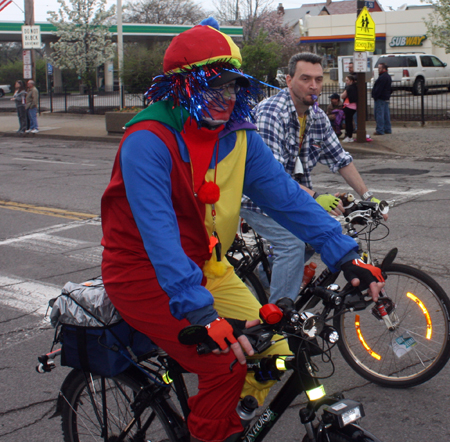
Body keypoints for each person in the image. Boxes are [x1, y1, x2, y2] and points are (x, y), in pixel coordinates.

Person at [101, 23, 384, 442]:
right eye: (214, 87)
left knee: (275, 347)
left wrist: (345, 255)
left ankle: (235, 414)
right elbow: (160, 238)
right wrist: (201, 312)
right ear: (180, 87)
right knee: (222, 362)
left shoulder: (237, 134)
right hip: (144, 275)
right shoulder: (149, 140)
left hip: (207, 265)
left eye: (233, 86)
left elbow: (287, 198)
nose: (227, 98)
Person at [241, 52, 386, 305]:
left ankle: (267, 277)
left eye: (318, 79)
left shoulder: (316, 116)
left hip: (294, 198)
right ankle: (280, 322)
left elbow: (341, 159)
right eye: (305, 78)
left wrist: (367, 196)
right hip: (257, 200)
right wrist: (316, 198)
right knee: (293, 244)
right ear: (288, 80)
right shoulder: (270, 113)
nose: (313, 85)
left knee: (327, 232)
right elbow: (271, 177)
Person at [372, 62, 392, 136]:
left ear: (384, 68)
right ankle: (387, 128)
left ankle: (380, 130)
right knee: (386, 114)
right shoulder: (387, 76)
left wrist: (375, 95)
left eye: (380, 68)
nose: (378, 69)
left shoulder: (382, 77)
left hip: (380, 97)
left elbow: (379, 88)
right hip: (385, 97)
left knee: (379, 114)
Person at [341, 75, 358, 142]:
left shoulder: (349, 88)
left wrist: (341, 95)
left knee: (348, 121)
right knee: (350, 121)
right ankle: (349, 136)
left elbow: (343, 96)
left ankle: (349, 136)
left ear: (351, 81)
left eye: (347, 80)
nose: (346, 82)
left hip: (348, 106)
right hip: (354, 106)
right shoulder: (355, 87)